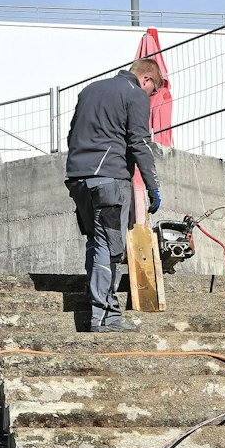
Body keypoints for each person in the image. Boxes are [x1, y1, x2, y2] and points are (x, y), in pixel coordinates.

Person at [64, 58, 164, 332]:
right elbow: (139, 142)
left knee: (96, 242)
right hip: (109, 180)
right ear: (146, 80)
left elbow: (72, 134)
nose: (150, 97)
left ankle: (97, 307)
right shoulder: (134, 94)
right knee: (109, 248)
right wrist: (152, 184)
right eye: (152, 91)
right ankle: (106, 317)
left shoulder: (89, 90)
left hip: (78, 178)